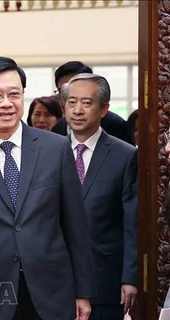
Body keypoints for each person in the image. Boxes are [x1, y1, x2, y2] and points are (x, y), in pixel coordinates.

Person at [0, 56, 95, 320]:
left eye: (14, 94)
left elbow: (75, 226)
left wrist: (83, 291)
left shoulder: (55, 149)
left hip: (52, 290)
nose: (6, 103)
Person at [62, 73, 138, 319]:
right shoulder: (49, 151)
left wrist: (130, 277)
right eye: (71, 102)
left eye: (86, 102)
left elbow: (132, 222)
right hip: (56, 279)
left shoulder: (125, 155)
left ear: (104, 108)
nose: (77, 110)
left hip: (105, 279)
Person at [51, 61, 135, 146]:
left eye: (86, 102)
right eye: (62, 90)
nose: (77, 110)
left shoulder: (117, 126)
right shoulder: (57, 128)